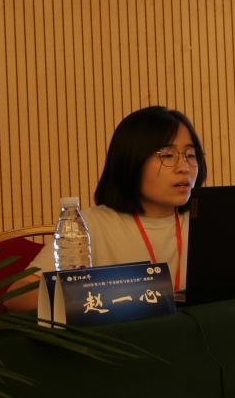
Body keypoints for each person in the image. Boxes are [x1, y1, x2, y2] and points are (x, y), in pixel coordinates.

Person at [19, 106, 207, 312]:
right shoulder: (90, 225)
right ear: (131, 160)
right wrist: (112, 293)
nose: (184, 167)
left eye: (190, 155)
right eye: (168, 155)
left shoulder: (210, 220)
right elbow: (19, 295)